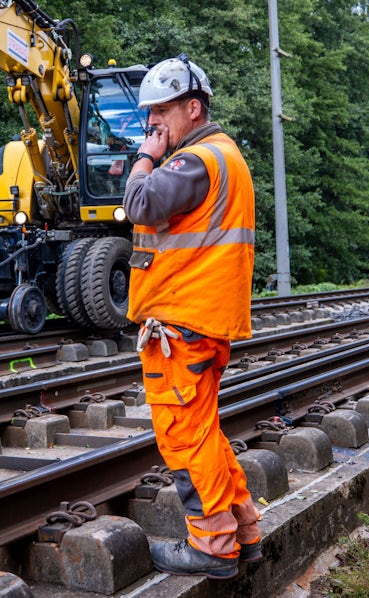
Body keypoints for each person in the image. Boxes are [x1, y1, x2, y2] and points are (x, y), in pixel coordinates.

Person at [123, 54, 262, 579]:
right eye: (148, 114)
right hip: (201, 317)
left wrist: (143, 158)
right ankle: (243, 532)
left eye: (161, 111)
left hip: (182, 321)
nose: (153, 122)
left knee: (182, 435)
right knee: (203, 433)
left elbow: (139, 203)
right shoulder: (222, 157)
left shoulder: (197, 159)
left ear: (193, 107)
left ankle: (212, 546)